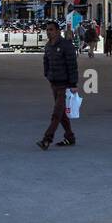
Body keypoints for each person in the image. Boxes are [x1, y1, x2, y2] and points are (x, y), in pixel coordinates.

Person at [37, 20, 78, 150]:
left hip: (64, 85)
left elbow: (72, 65)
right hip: (54, 83)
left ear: (58, 31)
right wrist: (47, 74)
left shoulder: (66, 45)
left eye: (51, 30)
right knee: (61, 114)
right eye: (47, 30)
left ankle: (47, 139)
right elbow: (46, 61)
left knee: (56, 113)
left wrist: (73, 84)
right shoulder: (48, 46)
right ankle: (70, 137)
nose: (49, 32)